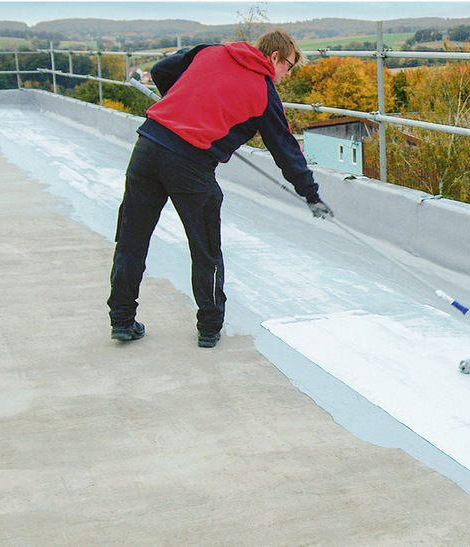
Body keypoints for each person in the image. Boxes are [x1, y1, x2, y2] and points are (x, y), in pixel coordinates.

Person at [108, 29, 333, 348]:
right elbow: (285, 149)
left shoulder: (211, 51)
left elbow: (160, 70)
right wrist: (311, 195)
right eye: (289, 66)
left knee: (131, 240)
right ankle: (209, 328)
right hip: (190, 165)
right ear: (274, 58)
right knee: (206, 250)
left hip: (148, 146)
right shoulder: (264, 92)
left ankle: (121, 321)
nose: (287, 74)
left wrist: (189, 107)